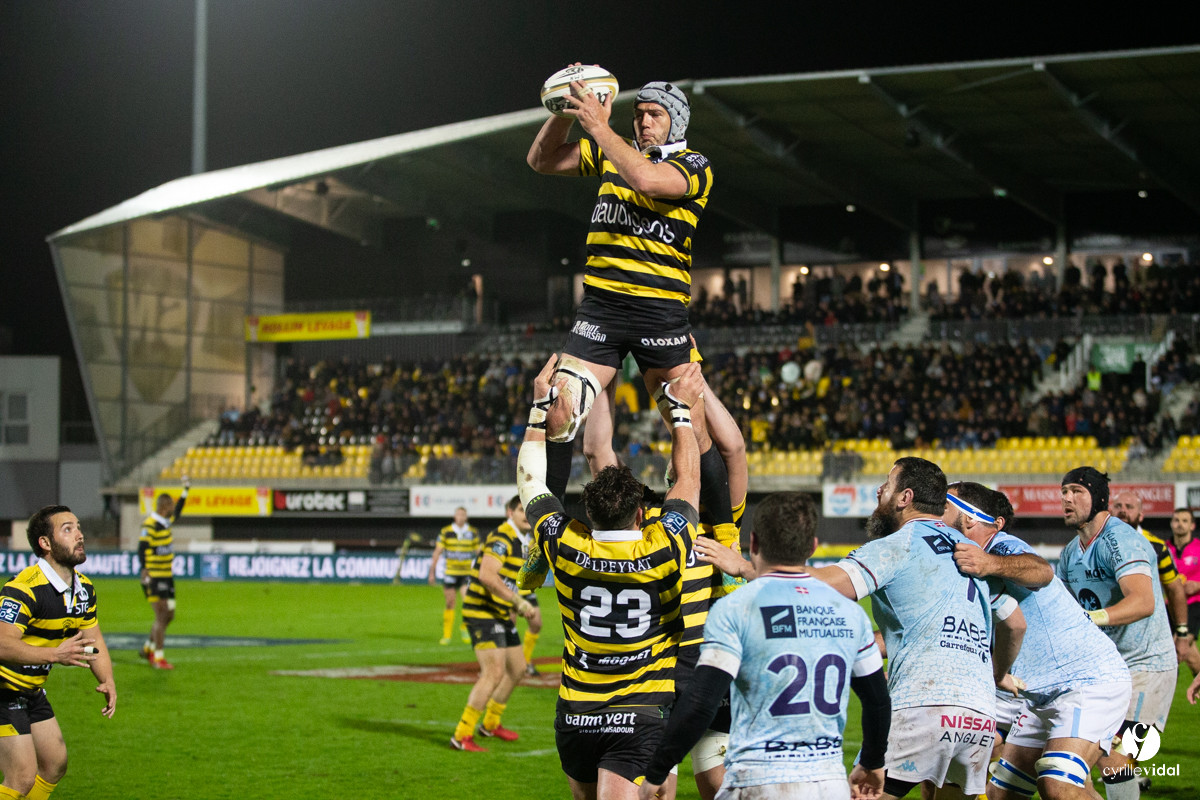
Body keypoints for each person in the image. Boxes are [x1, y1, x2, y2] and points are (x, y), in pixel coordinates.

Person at [526, 67, 730, 527]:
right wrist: (564, 110)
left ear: (675, 121)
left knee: (693, 430)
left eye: (654, 114)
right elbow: (541, 160)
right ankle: (546, 534)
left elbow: (648, 181)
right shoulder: (612, 154)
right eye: (637, 114)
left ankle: (727, 536)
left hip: (659, 314)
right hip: (601, 308)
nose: (642, 122)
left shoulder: (694, 166)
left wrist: (599, 126)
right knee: (559, 409)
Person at [515, 356, 704, 800]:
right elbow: (690, 479)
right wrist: (680, 412)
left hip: (576, 713)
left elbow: (530, 481)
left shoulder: (567, 543)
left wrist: (539, 410)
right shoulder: (662, 546)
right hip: (640, 710)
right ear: (642, 514)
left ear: (587, 515)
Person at [638, 492, 891, 800]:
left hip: (756, 779)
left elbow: (701, 703)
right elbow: (877, 702)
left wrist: (657, 770)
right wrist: (873, 762)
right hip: (827, 783)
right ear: (812, 547)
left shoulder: (736, 609)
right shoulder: (851, 614)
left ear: (753, 543)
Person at [807, 457, 1024, 800]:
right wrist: (998, 674)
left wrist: (754, 567)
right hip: (981, 715)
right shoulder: (970, 552)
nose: (879, 490)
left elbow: (828, 585)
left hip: (925, 706)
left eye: (887, 484)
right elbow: (1014, 624)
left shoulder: (900, 544)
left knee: (865, 793)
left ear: (904, 497)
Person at [585, 371, 747, 800]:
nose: (680, 464)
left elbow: (732, 450)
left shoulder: (717, 520)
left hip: (707, 668)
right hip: (653, 673)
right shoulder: (636, 527)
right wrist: (601, 375)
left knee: (719, 788)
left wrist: (693, 380)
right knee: (655, 793)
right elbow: (596, 450)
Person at [947, 482, 1131, 800]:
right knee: (1002, 795)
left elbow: (1041, 571)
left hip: (1086, 681)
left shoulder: (998, 545)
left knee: (1058, 787)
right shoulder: (957, 565)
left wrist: (989, 563)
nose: (934, 514)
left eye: (942, 507)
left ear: (968, 520)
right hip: (1039, 697)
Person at [1055, 467, 1176, 800]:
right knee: (1070, 764)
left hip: (1146, 665)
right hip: (1104, 669)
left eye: (1077, 491)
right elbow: (1063, 611)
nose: (1066, 498)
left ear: (1098, 497)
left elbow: (1144, 601)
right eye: (1064, 491)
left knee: (1114, 757)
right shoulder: (1069, 553)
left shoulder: (1120, 539)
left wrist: (1092, 617)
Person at [0, 505, 116, 800]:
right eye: (68, 529)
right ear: (45, 543)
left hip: (30, 690)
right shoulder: (24, 589)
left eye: (78, 527)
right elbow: (2, 644)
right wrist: (54, 655)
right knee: (22, 776)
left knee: (54, 764)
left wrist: (107, 679)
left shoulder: (84, 590)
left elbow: (94, 639)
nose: (79, 534)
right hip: (2, 688)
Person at [450, 496, 539, 752]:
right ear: (510, 512)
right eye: (520, 509)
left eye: (528, 510)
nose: (525, 514)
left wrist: (513, 604)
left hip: (500, 612)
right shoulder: (502, 538)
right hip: (482, 612)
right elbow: (487, 575)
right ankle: (462, 735)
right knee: (493, 673)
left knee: (518, 669)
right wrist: (518, 602)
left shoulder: (524, 542)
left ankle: (490, 723)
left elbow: (508, 580)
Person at [1111, 491, 1198, 672]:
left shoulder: (1156, 547)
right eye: (1118, 506)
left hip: (1151, 638)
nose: (1123, 511)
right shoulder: (1096, 543)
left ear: (1141, 515)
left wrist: (1182, 632)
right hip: (1113, 634)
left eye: (1129, 507)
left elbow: (1174, 589)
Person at [138, 475, 189, 669]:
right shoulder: (149, 525)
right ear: (164, 507)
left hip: (167, 577)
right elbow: (142, 548)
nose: (172, 510)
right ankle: (158, 658)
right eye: (170, 507)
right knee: (161, 615)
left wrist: (186, 489)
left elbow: (179, 509)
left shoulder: (166, 522)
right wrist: (145, 569)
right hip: (154, 576)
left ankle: (148, 647)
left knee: (169, 615)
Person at [428, 506, 480, 645]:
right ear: (454, 517)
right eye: (458, 514)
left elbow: (479, 553)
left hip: (466, 574)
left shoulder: (473, 532)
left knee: (467, 602)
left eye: (463, 514)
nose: (461, 517)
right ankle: (447, 635)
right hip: (450, 573)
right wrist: (431, 572)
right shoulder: (446, 532)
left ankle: (464, 628)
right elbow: (437, 552)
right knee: (450, 603)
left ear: (466, 517)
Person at [1166, 507, 1200, 677]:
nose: (1180, 524)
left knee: (1174, 648)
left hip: (1194, 604)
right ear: (1171, 523)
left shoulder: (1199, 548)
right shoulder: (1164, 549)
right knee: (1193, 658)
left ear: (1192, 526)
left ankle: (1167, 683)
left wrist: (1198, 585)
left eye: (1185, 521)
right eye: (1177, 520)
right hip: (1169, 606)